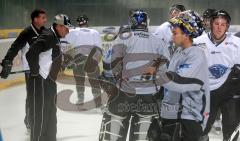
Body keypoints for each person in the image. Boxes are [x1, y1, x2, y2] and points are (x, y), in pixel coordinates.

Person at [99, 10, 170, 141]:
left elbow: (108, 64)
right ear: (147, 23)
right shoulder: (158, 42)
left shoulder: (123, 37)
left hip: (124, 93)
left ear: (131, 22)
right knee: (141, 136)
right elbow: (165, 71)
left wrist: (111, 79)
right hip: (149, 96)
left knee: (114, 131)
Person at [194, 10, 240, 141]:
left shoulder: (237, 43)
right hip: (206, 92)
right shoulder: (197, 42)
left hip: (230, 92)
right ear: (211, 24)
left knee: (231, 131)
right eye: (216, 23)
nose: (219, 27)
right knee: (200, 131)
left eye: (223, 24)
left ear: (227, 27)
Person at [26, 14, 72, 141]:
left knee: (51, 116)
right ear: (58, 26)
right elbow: (31, 53)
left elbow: (49, 58)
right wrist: (36, 73)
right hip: (41, 82)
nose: (67, 32)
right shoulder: (48, 36)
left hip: (49, 82)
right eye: (66, 29)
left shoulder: (54, 37)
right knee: (41, 117)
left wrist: (62, 63)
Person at [0, 9, 47, 132]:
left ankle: (35, 119)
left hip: (44, 70)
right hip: (30, 70)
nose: (45, 20)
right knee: (32, 96)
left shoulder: (44, 31)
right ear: (35, 19)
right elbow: (14, 47)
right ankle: (30, 121)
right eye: (42, 17)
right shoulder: (26, 32)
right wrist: (7, 61)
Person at [62, 14, 102, 106]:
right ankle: (98, 104)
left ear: (78, 23)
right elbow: (99, 49)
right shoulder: (94, 32)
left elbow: (62, 40)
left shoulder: (72, 31)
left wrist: (65, 59)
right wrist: (96, 61)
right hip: (92, 59)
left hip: (78, 59)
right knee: (95, 82)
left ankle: (80, 100)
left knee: (79, 81)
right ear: (87, 22)